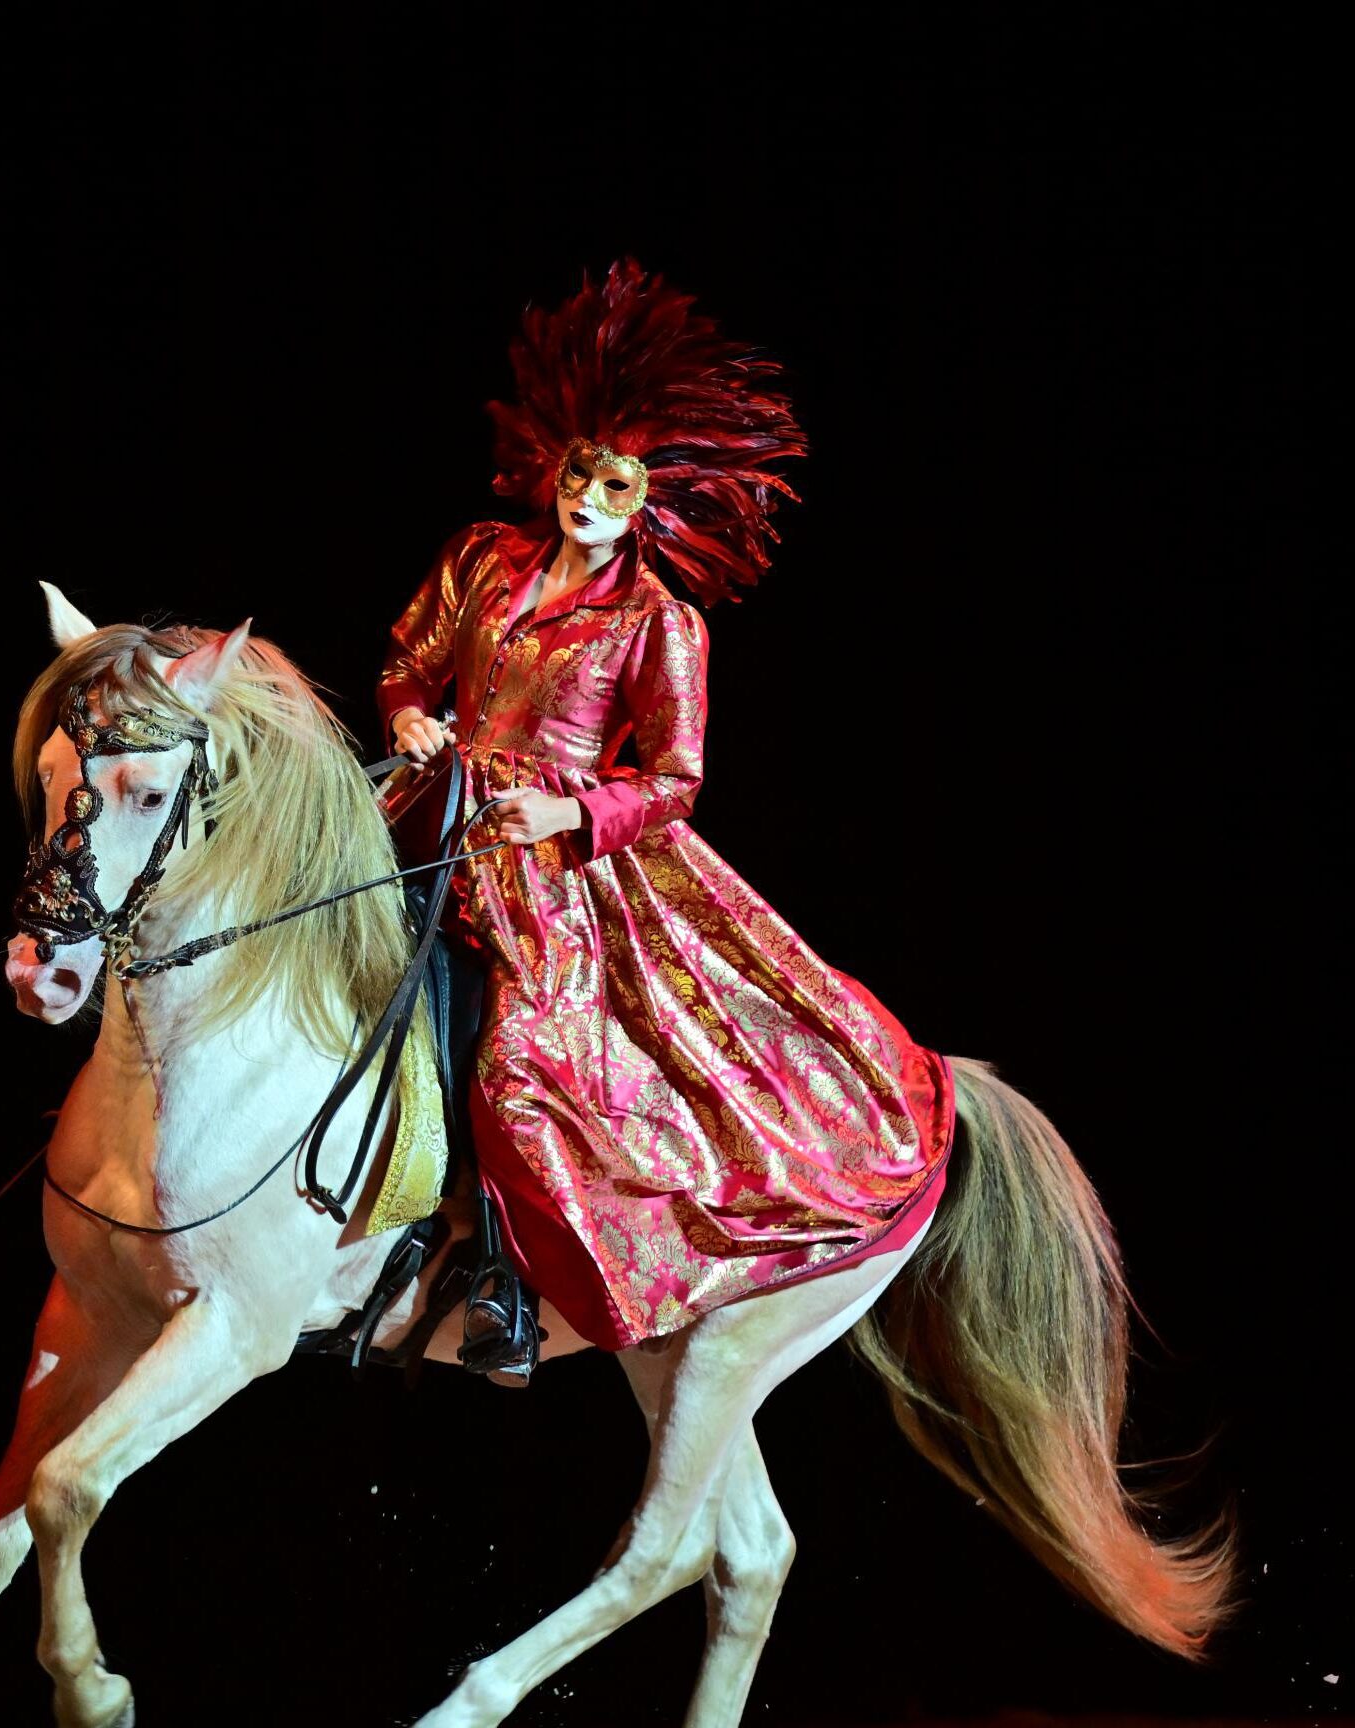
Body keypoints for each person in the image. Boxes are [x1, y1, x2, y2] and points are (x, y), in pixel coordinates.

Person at [378, 260, 953, 1380]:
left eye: (617, 486)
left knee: (523, 1060)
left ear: (651, 501)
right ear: (554, 462)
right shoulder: (481, 560)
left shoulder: (656, 620)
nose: (588, 500)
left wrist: (570, 805)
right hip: (427, 813)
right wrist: (407, 716)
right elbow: (411, 664)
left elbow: (676, 778)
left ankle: (503, 1283)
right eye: (580, 474)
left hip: (546, 859)